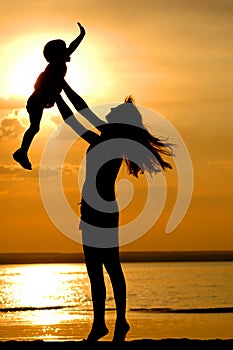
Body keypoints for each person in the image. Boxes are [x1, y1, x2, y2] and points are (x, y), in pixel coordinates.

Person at [55, 81, 173, 343]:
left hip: (102, 209)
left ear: (119, 121)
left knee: (110, 267)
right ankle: (101, 324)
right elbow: (74, 122)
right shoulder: (102, 140)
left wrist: (62, 84)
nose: (108, 112)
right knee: (95, 269)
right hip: (90, 209)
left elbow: (84, 111)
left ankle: (120, 321)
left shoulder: (115, 139)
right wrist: (56, 95)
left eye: (114, 111)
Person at [13, 22, 86, 170]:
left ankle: (22, 151)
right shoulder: (56, 64)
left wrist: (81, 36)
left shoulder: (56, 64)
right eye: (63, 50)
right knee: (34, 127)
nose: (68, 52)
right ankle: (22, 152)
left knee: (34, 128)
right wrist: (81, 36)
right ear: (57, 55)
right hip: (37, 100)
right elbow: (71, 48)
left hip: (37, 101)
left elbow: (70, 49)